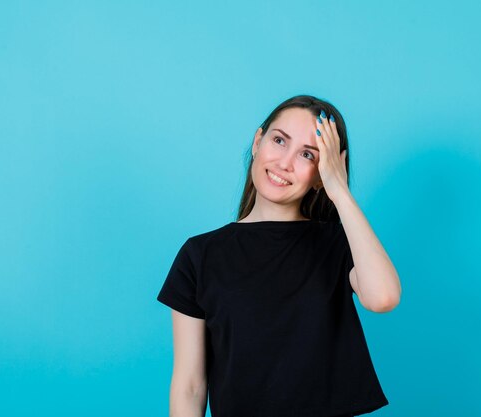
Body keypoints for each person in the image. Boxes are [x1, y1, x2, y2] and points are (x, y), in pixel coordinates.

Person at [157, 94, 402, 417]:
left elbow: (382, 298)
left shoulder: (339, 242)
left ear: (321, 174)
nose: (285, 163)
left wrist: (339, 189)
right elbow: (189, 384)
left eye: (307, 154)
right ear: (258, 141)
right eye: (279, 140)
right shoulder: (200, 255)